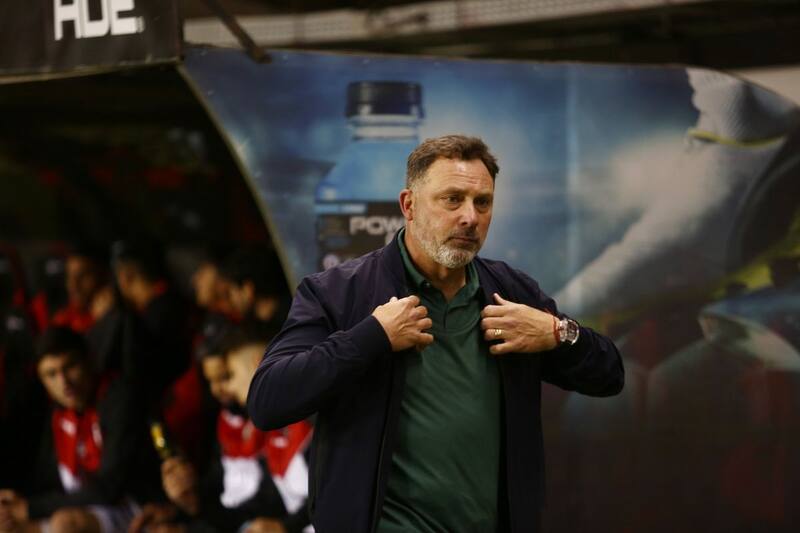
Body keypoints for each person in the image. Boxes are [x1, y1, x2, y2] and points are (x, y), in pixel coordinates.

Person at [247, 134, 624, 532]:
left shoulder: (510, 293)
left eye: (483, 203)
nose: (470, 217)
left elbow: (610, 375)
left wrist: (557, 332)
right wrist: (372, 336)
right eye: (452, 199)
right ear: (408, 205)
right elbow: (269, 400)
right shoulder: (339, 293)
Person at [0, 326, 161, 533]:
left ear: (90, 361)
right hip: (83, 505)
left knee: (65, 525)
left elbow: (109, 488)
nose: (64, 382)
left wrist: (31, 508)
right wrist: (16, 504)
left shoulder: (119, 398)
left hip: (134, 506)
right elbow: (46, 480)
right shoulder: (59, 414)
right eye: (51, 374)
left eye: (70, 367)